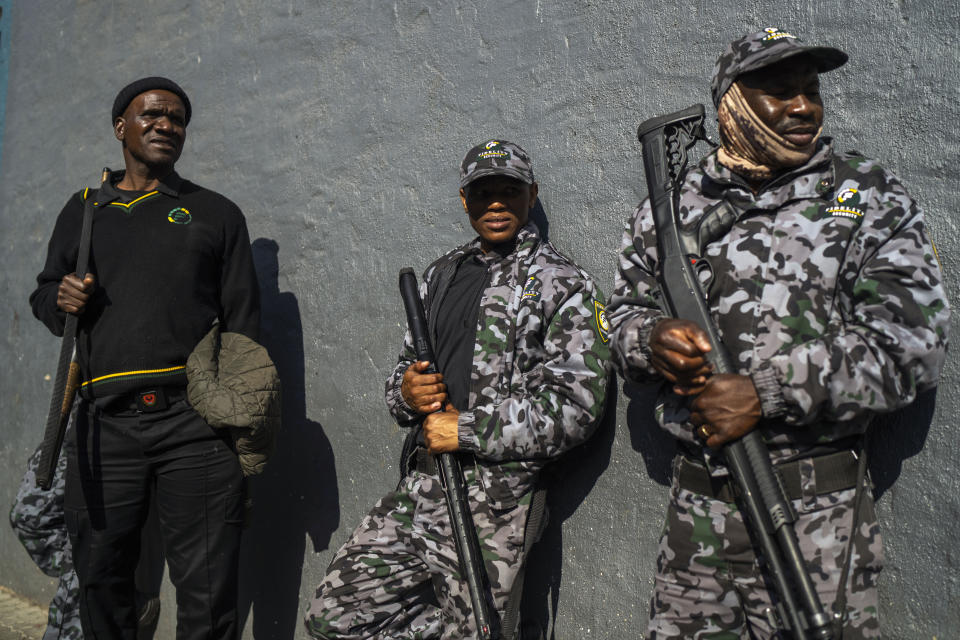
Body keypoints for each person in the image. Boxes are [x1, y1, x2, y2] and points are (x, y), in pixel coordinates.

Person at [607, 27, 949, 640]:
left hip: (815, 521)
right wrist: (650, 341)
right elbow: (624, 315)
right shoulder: (672, 209)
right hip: (698, 517)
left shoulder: (867, 195)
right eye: (779, 91)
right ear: (732, 104)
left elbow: (910, 345)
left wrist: (763, 391)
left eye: (811, 90)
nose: (802, 107)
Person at [305, 140, 611, 638]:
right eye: (483, 192)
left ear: (531, 196)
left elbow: (577, 409)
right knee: (334, 617)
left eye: (509, 191)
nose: (496, 202)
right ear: (464, 200)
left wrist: (465, 429)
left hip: (498, 505)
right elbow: (405, 371)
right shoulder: (441, 275)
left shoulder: (564, 284)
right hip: (422, 486)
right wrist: (405, 393)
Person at [29, 76, 260, 639]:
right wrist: (60, 299)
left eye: (177, 118)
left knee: (207, 593)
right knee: (103, 583)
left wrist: (238, 428)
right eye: (152, 114)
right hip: (103, 425)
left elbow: (245, 328)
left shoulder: (215, 213)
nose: (166, 125)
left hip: (195, 426)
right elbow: (44, 295)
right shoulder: (84, 211)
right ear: (120, 128)